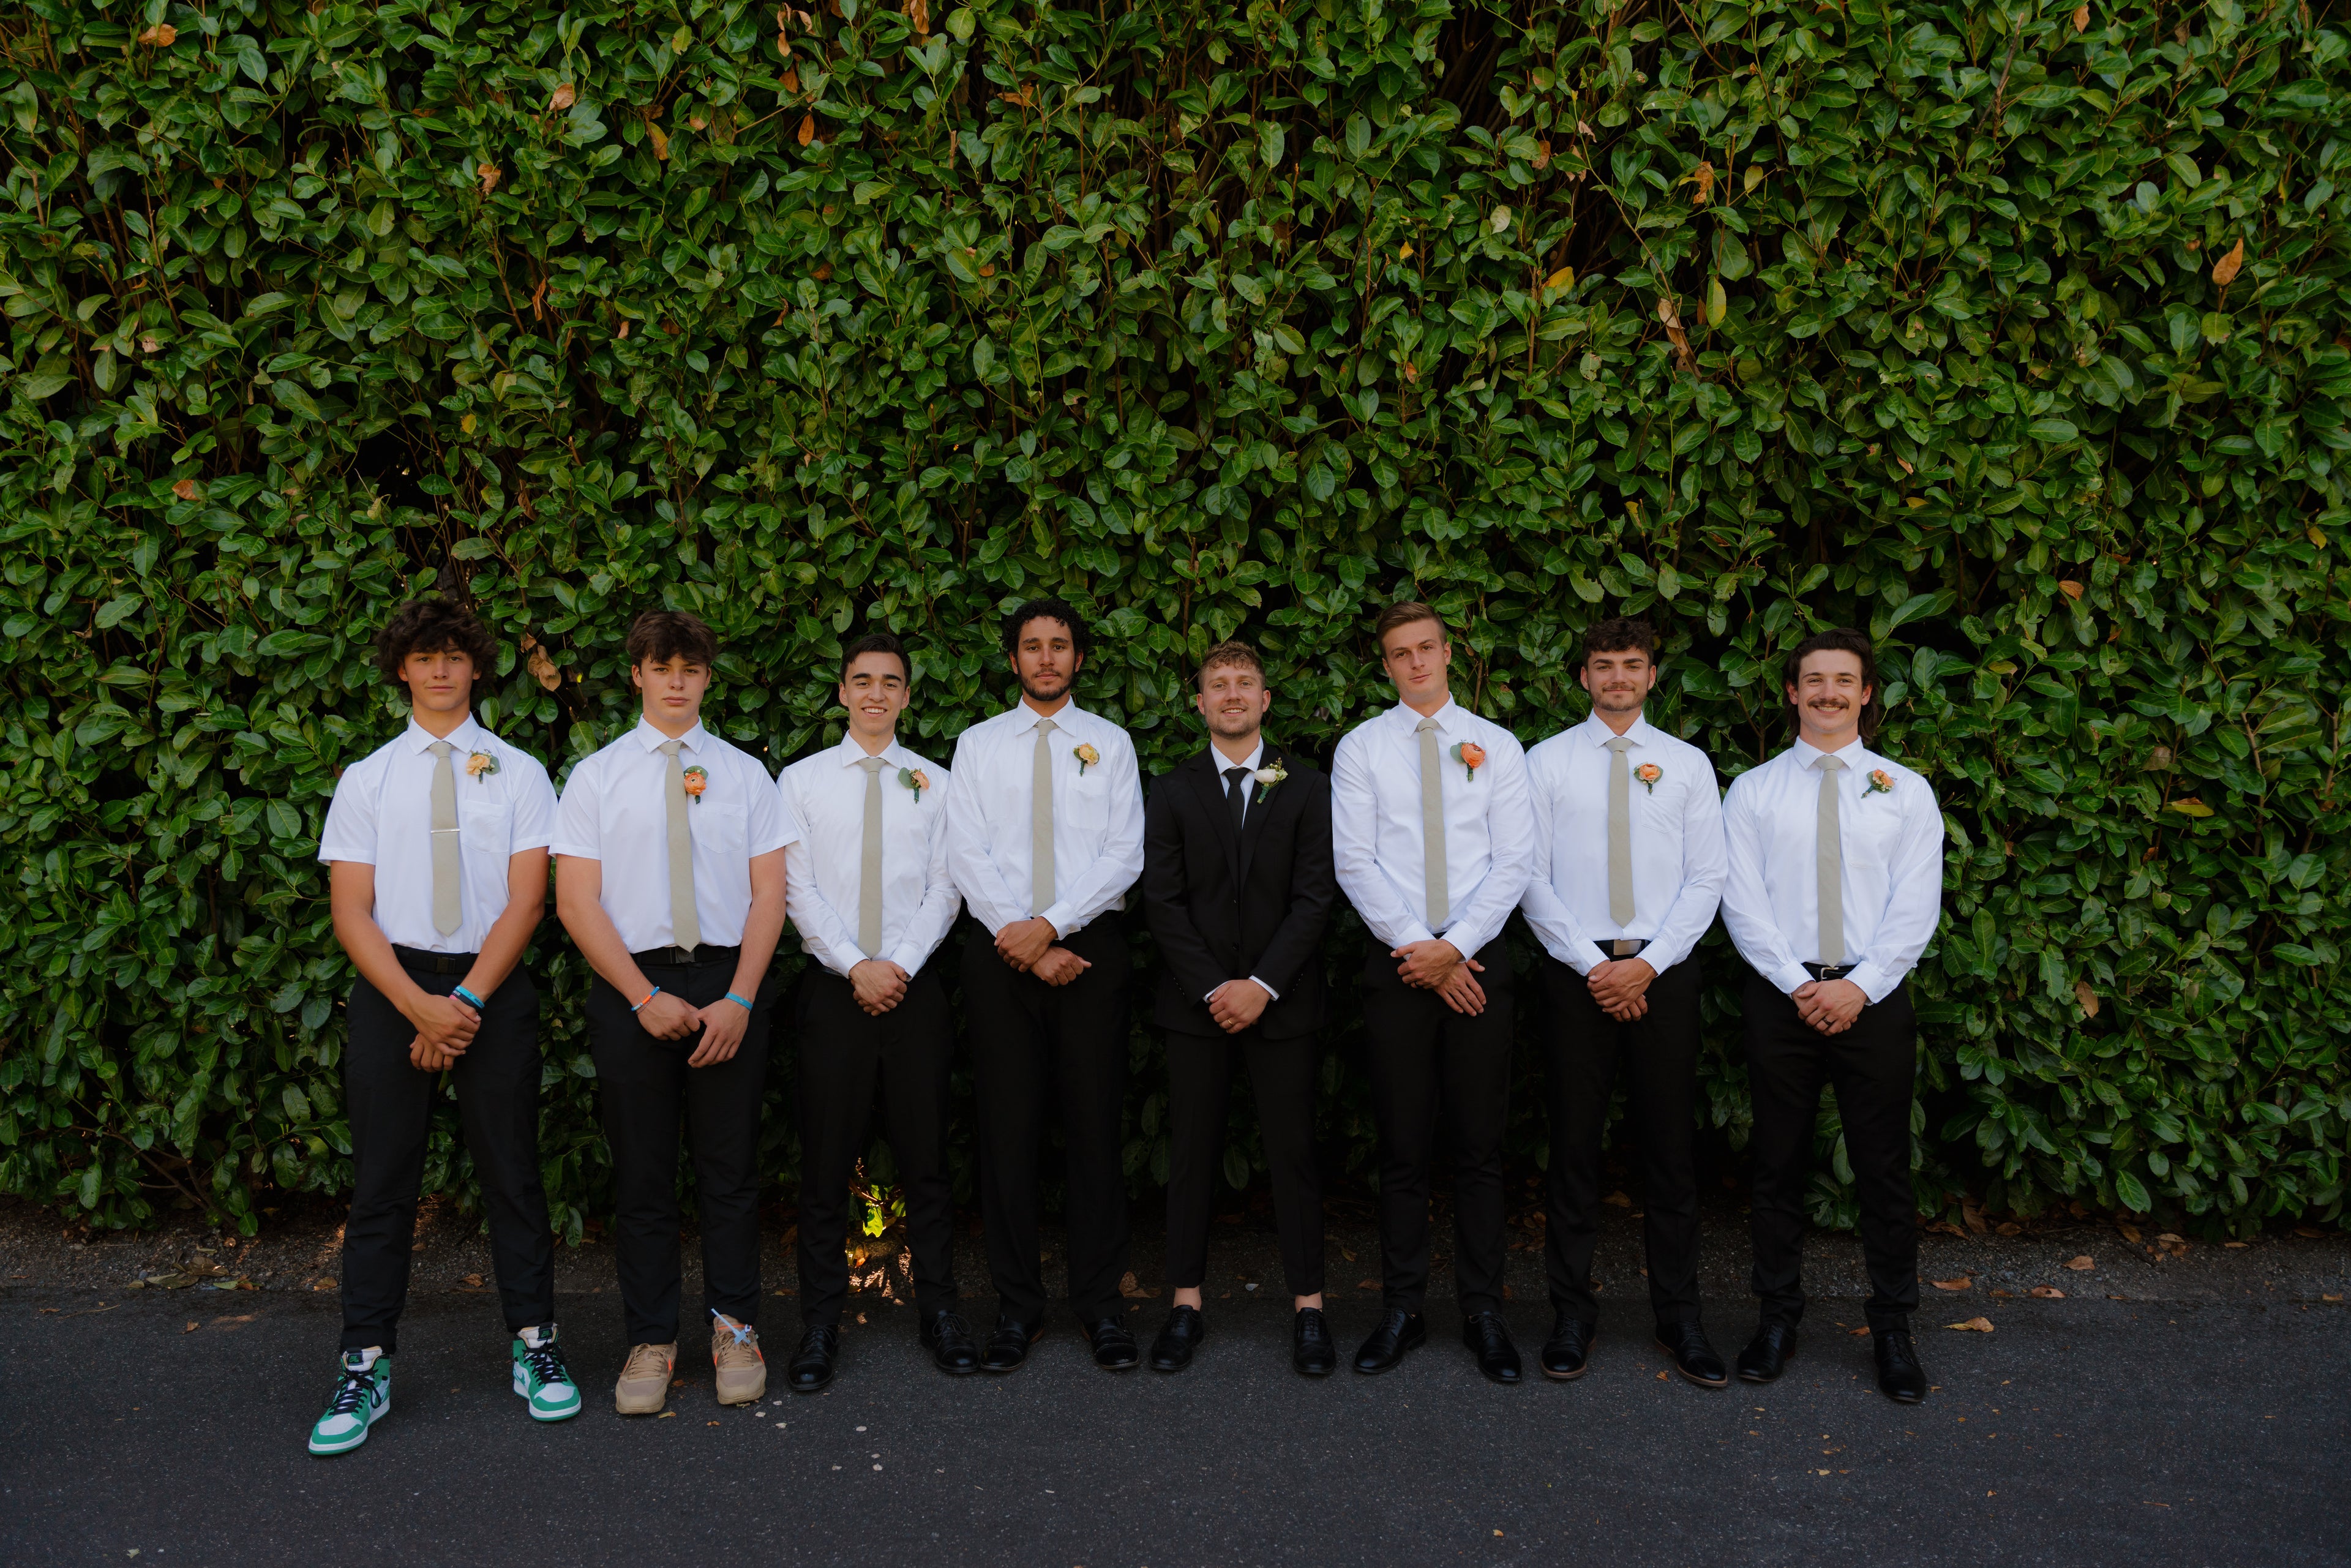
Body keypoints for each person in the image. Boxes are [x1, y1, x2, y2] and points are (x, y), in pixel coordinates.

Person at [309, 598, 576, 1455]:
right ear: (401, 669)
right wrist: (416, 1004)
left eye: (455, 655)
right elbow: (352, 911)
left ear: (475, 668)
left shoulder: (521, 771)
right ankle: (364, 1364)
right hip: (395, 988)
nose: (439, 669)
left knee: (513, 1177)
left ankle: (536, 1346)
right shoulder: (367, 777)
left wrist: (460, 1006)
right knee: (383, 1187)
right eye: (424, 656)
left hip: (489, 990)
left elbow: (529, 899)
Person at [553, 609, 793, 1416]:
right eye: (663, 667)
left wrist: (740, 1000)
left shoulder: (747, 775)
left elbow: (770, 894)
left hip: (728, 981)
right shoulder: (596, 777)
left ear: (707, 677)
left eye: (691, 667)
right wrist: (641, 997)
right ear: (639, 676)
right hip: (635, 988)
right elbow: (576, 900)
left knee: (729, 1175)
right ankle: (651, 1338)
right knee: (644, 1178)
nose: (678, 680)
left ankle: (734, 1328)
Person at [1719, 627, 1944, 1404]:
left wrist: (1863, 985)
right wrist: (1796, 983)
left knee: (1883, 1169)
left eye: (1843, 680)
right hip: (1781, 998)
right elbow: (1741, 903)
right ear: (1791, 692)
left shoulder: (1906, 790)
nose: (1828, 692)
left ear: (1867, 692)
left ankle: (1893, 1327)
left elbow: (1917, 905)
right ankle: (1776, 1318)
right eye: (1813, 679)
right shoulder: (1752, 791)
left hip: (1874, 1000)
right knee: (1776, 1165)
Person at [1521, 618, 1728, 1387]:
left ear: (1651, 675)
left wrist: (1647, 965)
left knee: (1669, 1151)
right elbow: (1529, 874)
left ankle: (1681, 1317)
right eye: (1602, 665)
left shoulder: (1686, 765)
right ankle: (1571, 1315)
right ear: (1582, 677)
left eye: (1631, 665)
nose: (1616, 677)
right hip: (1575, 975)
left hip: (1663, 973)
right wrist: (1593, 966)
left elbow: (1707, 877)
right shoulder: (1545, 764)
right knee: (1573, 1149)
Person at [1330, 601, 1534, 1382]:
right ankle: (1403, 1308)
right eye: (1399, 654)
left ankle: (1484, 1310)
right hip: (1398, 963)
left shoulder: (1499, 746)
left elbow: (1513, 860)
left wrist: (1455, 950)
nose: (1415, 663)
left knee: (1480, 1149)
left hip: (1477, 960)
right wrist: (1420, 949)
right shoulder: (1362, 749)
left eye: (1426, 649)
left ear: (1450, 654)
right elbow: (1356, 860)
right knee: (1403, 1148)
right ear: (1386, 666)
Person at [943, 598, 1146, 1373]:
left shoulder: (1111, 743)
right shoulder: (978, 744)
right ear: (1015, 659)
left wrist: (1053, 926)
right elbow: (967, 850)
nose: (1047, 658)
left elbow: (1123, 854)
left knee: (1095, 1132)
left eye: (1060, 645)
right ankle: (1017, 1307)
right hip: (1001, 956)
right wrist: (1024, 942)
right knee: (1007, 1135)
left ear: (1079, 659)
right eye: (1033, 646)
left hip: (1089, 953)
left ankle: (1101, 1305)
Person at [1140, 640, 1339, 1377]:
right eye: (1217, 684)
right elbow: (1162, 899)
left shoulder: (1307, 786)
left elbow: (1316, 894)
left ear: (1264, 700)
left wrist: (1262, 983)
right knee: (1191, 1155)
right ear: (1198, 702)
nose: (1231, 693)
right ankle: (1185, 1305)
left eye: (1244, 683)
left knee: (1294, 1154)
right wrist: (1215, 987)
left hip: (1282, 1002)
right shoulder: (1171, 788)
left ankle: (1310, 1309)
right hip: (1196, 1007)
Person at [776, 632, 967, 1390]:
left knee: (927, 1162)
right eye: (863, 680)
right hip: (834, 989)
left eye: (891, 681)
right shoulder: (801, 781)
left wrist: (898, 967)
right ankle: (820, 1322)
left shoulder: (938, 782)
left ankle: (942, 1311)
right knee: (825, 1167)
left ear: (908, 695)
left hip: (914, 987)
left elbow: (947, 885)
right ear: (843, 690)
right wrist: (857, 965)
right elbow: (795, 888)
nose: (877, 693)